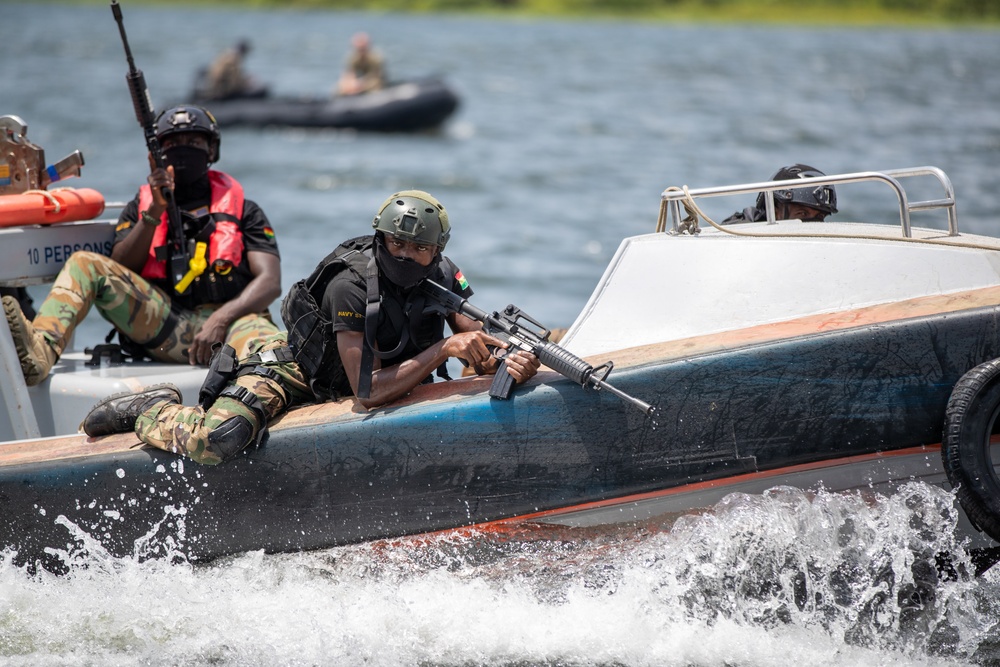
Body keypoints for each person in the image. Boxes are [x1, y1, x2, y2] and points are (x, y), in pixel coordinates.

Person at [82, 190, 541, 465]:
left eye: (417, 248)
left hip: (376, 372)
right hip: (301, 372)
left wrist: (506, 358)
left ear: (436, 252)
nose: (404, 255)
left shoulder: (442, 275)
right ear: (380, 238)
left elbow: (472, 330)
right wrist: (444, 351)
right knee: (217, 441)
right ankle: (150, 409)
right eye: (395, 243)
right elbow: (366, 393)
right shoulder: (352, 285)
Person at [2, 104, 282, 387]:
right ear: (156, 156)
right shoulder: (141, 208)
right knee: (84, 263)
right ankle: (40, 351)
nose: (183, 149)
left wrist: (221, 318)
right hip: (167, 327)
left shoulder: (246, 211)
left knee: (275, 349)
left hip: (232, 325)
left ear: (211, 150)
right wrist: (155, 212)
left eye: (194, 142)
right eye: (172, 143)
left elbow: (270, 281)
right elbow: (121, 269)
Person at [722, 163, 838, 224]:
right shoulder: (739, 235)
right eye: (802, 214)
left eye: (819, 217)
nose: (812, 224)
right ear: (775, 211)